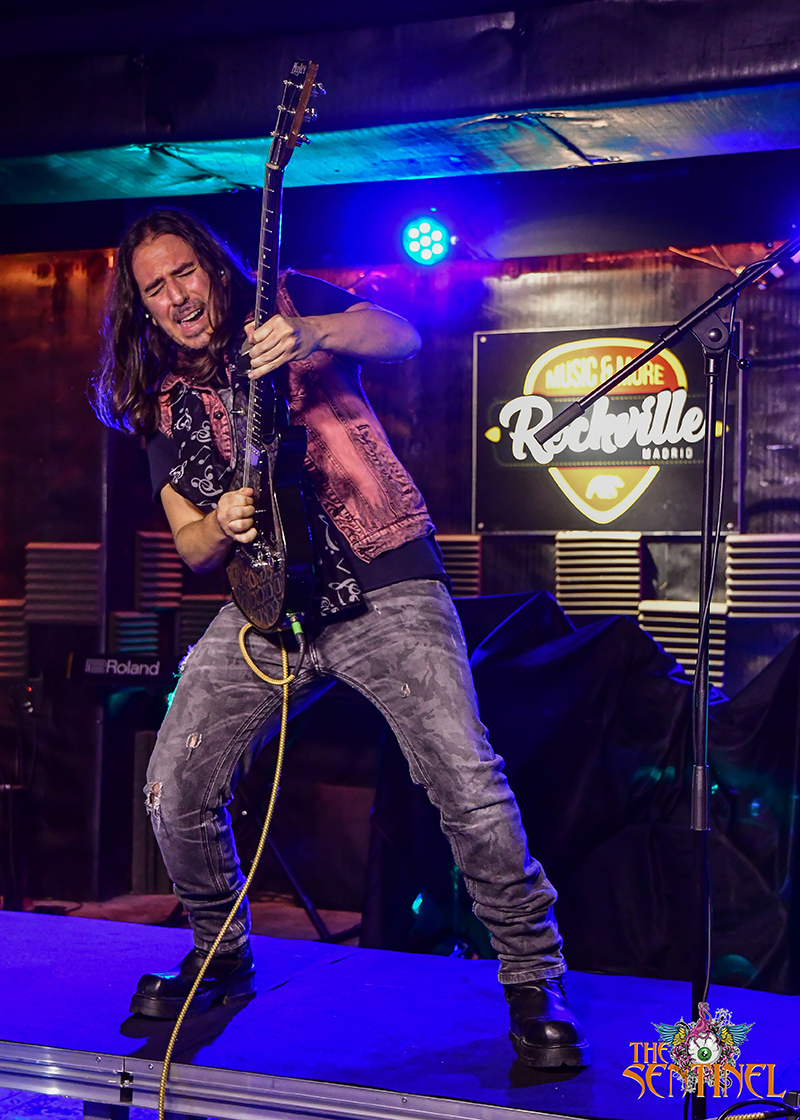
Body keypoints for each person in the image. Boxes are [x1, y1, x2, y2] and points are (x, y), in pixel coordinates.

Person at [92, 208, 589, 1069]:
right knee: (173, 786)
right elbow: (192, 545)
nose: (177, 297)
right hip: (268, 609)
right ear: (143, 307)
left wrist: (311, 332)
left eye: (185, 273)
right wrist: (219, 521)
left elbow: (402, 335)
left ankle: (532, 976)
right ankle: (221, 952)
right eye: (155, 288)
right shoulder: (161, 403)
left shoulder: (285, 302)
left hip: (384, 577)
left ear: (213, 268)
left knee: (464, 780)